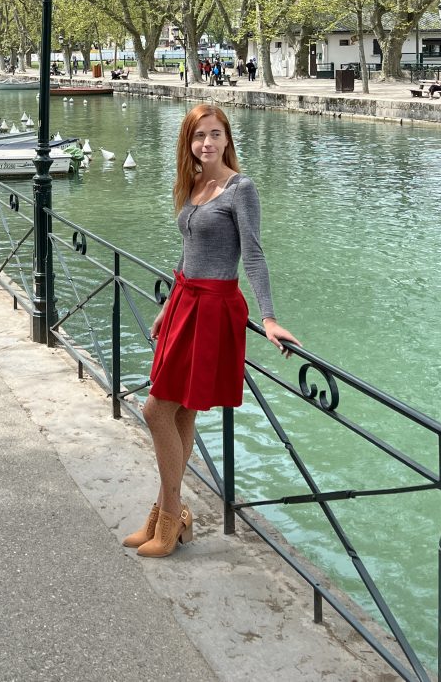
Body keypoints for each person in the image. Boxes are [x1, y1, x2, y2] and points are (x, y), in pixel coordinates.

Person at [122, 103, 299, 558]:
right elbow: (187, 250)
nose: (208, 143)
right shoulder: (195, 184)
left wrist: (269, 318)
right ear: (189, 142)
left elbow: (255, 256)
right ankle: (170, 515)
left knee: (155, 410)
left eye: (215, 134)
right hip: (184, 304)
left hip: (216, 308)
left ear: (227, 139)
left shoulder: (242, 188)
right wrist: (166, 306)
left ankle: (170, 512)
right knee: (178, 412)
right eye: (199, 136)